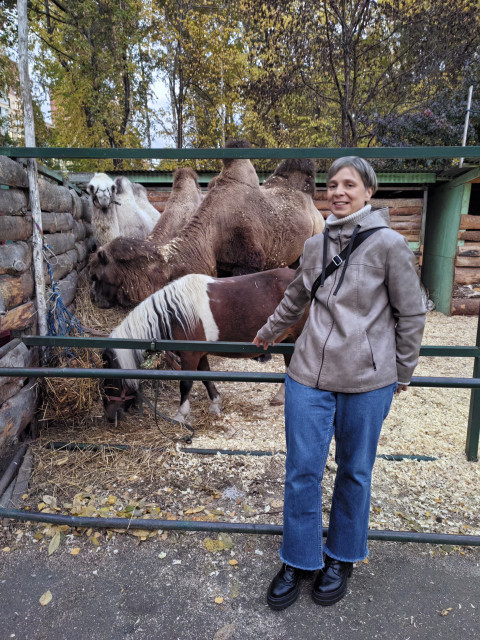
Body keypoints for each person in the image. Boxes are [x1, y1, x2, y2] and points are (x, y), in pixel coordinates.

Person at [253, 156, 426, 610]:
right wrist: (269, 331)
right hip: (308, 374)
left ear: (369, 192)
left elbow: (411, 312)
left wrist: (402, 373)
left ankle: (341, 558)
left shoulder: (389, 245)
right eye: (332, 184)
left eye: (349, 184)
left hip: (368, 380)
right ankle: (298, 559)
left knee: (354, 472)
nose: (339, 191)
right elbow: (295, 298)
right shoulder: (315, 246)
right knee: (301, 471)